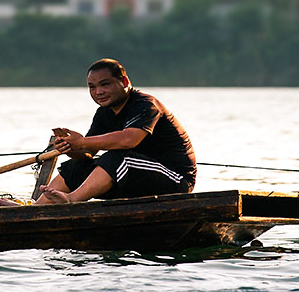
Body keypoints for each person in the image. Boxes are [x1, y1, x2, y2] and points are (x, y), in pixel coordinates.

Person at [35, 58, 196, 204]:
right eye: (92, 87)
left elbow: (128, 140)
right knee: (76, 166)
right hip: (133, 176)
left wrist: (82, 141)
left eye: (105, 84)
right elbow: (88, 153)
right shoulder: (103, 113)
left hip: (176, 180)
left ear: (124, 82)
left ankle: (72, 200)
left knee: (117, 158)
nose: (98, 92)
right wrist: (71, 149)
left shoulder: (146, 105)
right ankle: (37, 208)